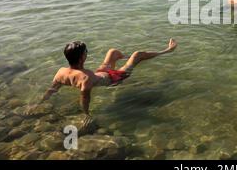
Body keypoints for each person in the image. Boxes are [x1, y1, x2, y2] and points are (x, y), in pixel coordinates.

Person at [26, 39, 177, 122]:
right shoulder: (85, 78)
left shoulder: (61, 72)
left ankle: (129, 58)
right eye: (86, 52)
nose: (87, 53)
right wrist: (86, 115)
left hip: (101, 73)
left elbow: (52, 90)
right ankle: (166, 51)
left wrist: (39, 103)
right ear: (82, 58)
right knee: (137, 55)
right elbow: (85, 98)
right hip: (114, 78)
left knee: (112, 52)